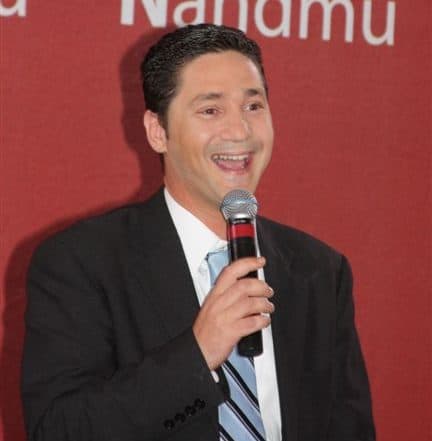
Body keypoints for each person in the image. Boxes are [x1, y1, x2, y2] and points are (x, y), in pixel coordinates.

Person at [21, 24, 375, 441]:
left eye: (253, 106)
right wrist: (198, 354)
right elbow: (58, 430)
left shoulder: (319, 271)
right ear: (158, 131)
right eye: (211, 110)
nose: (240, 131)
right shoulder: (82, 263)